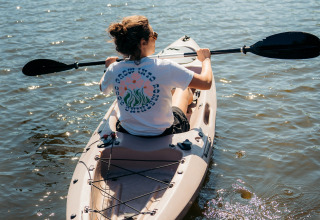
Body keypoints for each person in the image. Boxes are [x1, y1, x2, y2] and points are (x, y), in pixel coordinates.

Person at [100, 15, 212, 137]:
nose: (155, 39)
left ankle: (171, 90)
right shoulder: (165, 67)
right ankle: (182, 93)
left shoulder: (114, 69)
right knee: (182, 90)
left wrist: (107, 68)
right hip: (164, 133)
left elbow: (103, 88)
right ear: (143, 42)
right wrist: (205, 60)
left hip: (127, 131)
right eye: (154, 36)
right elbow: (206, 83)